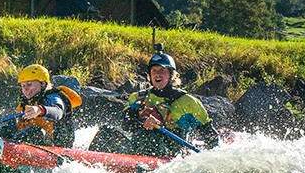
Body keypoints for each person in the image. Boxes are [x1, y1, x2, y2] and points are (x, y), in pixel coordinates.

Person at [90, 46, 219, 157]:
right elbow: (126, 123)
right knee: (105, 132)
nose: (158, 75)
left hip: (169, 152)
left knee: (151, 136)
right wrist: (142, 122)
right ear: (150, 75)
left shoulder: (189, 102)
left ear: (171, 75)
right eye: (154, 71)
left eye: (162, 71)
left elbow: (210, 137)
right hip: (138, 147)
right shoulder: (138, 98)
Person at [0, 64, 77, 147]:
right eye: (23, 85)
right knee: (5, 126)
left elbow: (58, 112)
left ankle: (9, 149)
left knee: (35, 130)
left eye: (29, 84)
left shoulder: (52, 96)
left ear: (42, 84)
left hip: (55, 147)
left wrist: (39, 110)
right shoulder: (26, 101)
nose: (25, 89)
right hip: (30, 143)